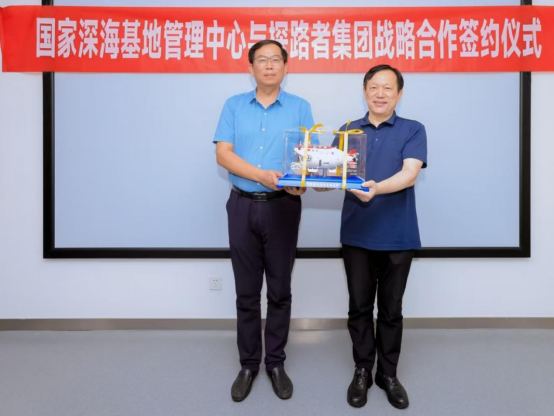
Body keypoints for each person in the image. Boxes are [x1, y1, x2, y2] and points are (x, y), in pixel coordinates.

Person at [213, 39, 314, 402]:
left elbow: (307, 159)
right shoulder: (234, 105)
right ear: (251, 67)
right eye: (262, 60)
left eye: (275, 60)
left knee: (280, 290)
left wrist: (302, 182)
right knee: (246, 292)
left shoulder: (300, 107)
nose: (269, 66)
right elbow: (223, 155)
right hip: (242, 206)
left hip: (282, 206)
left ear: (286, 67)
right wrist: (260, 175)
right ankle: (248, 364)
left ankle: (275, 362)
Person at [339, 65, 427, 410]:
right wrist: (315, 179)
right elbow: (333, 174)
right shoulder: (347, 130)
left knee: (391, 310)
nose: (380, 94)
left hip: (398, 235)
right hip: (357, 234)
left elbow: (409, 174)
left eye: (388, 88)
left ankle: (387, 373)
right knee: (359, 307)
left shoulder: (413, 129)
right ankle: (362, 368)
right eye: (374, 87)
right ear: (364, 91)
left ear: (399, 94)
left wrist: (375, 189)